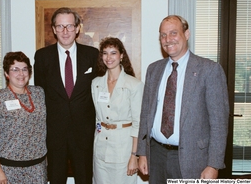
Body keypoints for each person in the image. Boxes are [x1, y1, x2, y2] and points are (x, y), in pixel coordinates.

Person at [137, 15, 229, 182]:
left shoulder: (209, 70)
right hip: (156, 155)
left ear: (186, 34)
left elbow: (219, 124)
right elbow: (145, 115)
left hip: (192, 158)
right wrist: (142, 152)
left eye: (173, 33)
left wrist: (213, 165)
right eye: (163, 35)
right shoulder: (154, 70)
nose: (167, 39)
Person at [34, 7, 99, 184]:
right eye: (60, 26)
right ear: (54, 29)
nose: (65, 31)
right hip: (55, 134)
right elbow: (40, 95)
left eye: (69, 26)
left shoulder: (92, 55)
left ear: (78, 28)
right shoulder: (42, 57)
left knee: (85, 179)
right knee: (55, 179)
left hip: (84, 133)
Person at [0, 51, 47, 184]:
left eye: (24, 69)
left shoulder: (39, 93)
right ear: (6, 73)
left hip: (37, 169)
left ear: (29, 72)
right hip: (7, 169)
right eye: (15, 69)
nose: (21, 74)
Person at [91, 37, 144, 184]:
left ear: (121, 56)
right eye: (105, 53)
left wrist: (134, 156)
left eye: (113, 53)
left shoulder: (134, 85)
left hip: (124, 151)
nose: (109, 58)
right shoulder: (95, 84)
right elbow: (96, 118)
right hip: (100, 150)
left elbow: (138, 123)